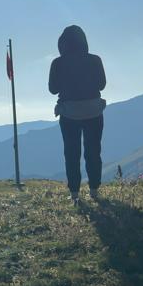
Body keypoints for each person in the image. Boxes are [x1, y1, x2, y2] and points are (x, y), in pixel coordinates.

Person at [48, 25, 106, 202]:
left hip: (69, 113)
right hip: (93, 112)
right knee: (93, 151)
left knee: (72, 153)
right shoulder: (95, 60)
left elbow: (52, 89)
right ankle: (94, 190)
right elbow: (102, 84)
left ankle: (74, 194)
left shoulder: (58, 63)